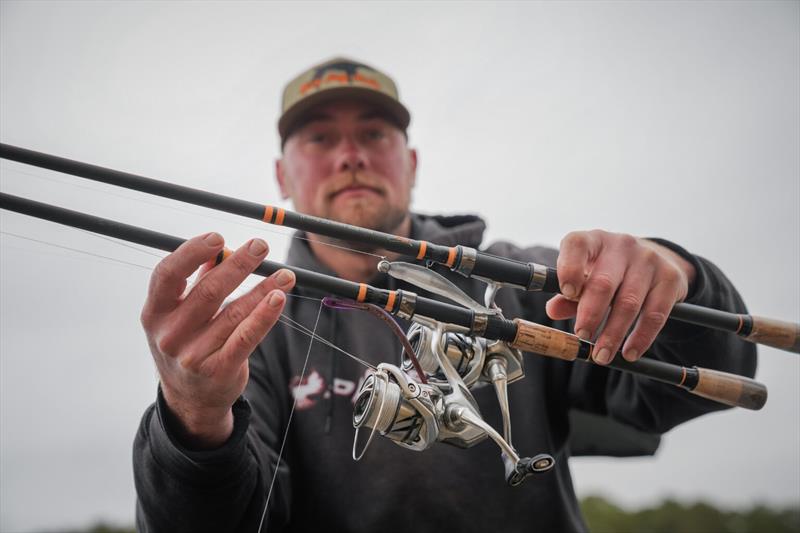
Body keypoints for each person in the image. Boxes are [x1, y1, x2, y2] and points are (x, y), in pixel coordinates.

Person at [133, 57, 756, 532]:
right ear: (281, 177)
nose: (350, 155)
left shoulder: (519, 283)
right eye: (320, 138)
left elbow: (684, 389)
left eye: (374, 134)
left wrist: (677, 273)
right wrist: (191, 418)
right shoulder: (254, 326)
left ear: (411, 161)